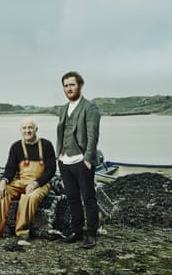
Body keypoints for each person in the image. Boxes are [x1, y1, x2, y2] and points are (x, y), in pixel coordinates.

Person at [0, 117, 56, 240]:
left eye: (30, 128)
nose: (27, 131)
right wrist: (3, 181)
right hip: (21, 181)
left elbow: (51, 170)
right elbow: (10, 168)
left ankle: (22, 231)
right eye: (24, 128)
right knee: (3, 192)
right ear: (20, 130)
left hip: (41, 183)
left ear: (36, 129)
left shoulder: (46, 145)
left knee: (30, 196)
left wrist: (36, 183)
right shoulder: (16, 147)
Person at [56, 71, 101, 249]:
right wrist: (59, 154)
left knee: (88, 198)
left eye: (72, 84)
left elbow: (93, 135)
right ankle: (76, 232)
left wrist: (88, 159)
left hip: (82, 161)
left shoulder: (90, 108)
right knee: (72, 198)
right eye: (66, 85)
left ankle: (91, 235)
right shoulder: (63, 109)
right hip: (65, 161)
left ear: (80, 85)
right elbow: (61, 132)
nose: (69, 88)